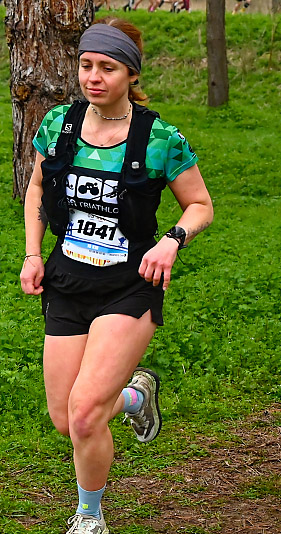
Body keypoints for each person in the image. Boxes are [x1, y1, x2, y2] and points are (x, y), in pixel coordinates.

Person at [19, 17, 213, 533]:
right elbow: (36, 189)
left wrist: (172, 239)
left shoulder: (160, 138)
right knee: (66, 420)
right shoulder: (59, 124)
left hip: (129, 286)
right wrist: (33, 255)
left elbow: (200, 205)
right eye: (86, 65)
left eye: (107, 67)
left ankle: (90, 516)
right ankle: (135, 396)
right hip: (66, 281)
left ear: (131, 73)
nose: (93, 76)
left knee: (85, 414)